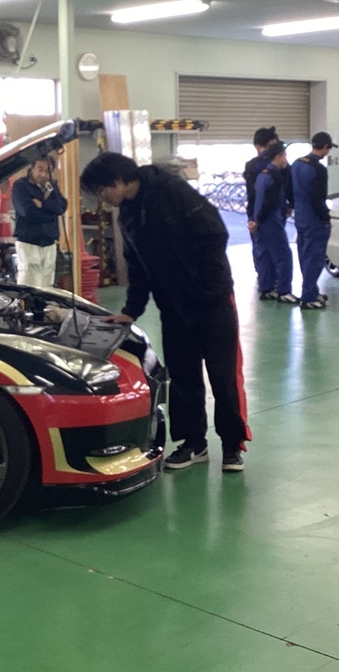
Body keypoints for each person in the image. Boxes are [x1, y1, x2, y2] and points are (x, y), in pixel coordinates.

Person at [80, 152, 251, 472]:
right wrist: (132, 310)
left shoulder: (172, 191)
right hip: (172, 305)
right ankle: (194, 444)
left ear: (118, 181)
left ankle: (232, 446)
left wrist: (209, 287)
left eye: (102, 191)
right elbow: (137, 266)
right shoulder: (127, 214)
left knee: (223, 376)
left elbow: (215, 233)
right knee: (183, 376)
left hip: (212, 301)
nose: (102, 199)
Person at [291, 132, 336, 310]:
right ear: (325, 147)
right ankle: (308, 297)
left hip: (300, 215)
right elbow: (318, 199)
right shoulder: (319, 169)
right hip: (314, 218)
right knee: (314, 258)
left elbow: (290, 189)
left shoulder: (296, 164)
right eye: (328, 148)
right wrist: (325, 217)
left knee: (304, 255)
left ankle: (312, 290)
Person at [10, 156, 67, 288]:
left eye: (47, 171)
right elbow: (27, 211)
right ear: (32, 168)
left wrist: (42, 205)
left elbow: (61, 206)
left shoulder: (52, 186)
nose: (43, 174)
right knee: (29, 284)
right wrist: (51, 214)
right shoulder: (21, 186)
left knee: (47, 285)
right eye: (40, 169)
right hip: (28, 242)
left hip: (49, 242)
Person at [251, 143, 297, 304]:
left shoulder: (262, 175)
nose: (286, 160)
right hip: (271, 222)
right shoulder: (275, 177)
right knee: (284, 256)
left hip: (259, 222)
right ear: (278, 156)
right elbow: (270, 203)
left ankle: (266, 289)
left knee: (264, 255)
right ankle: (284, 291)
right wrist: (260, 220)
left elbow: (257, 199)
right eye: (285, 156)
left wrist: (255, 220)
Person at [243, 127, 279, 299]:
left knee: (260, 248)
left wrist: (253, 217)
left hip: (254, 211)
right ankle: (272, 283)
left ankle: (265, 282)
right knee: (274, 249)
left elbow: (251, 193)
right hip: (271, 213)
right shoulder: (273, 164)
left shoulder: (251, 165)